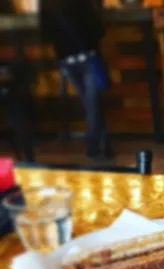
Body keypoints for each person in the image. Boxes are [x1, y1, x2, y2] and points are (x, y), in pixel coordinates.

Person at [39, 0, 113, 159]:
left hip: (66, 61)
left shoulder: (46, 3)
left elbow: (45, 34)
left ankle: (103, 144)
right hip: (88, 57)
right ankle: (94, 148)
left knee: (90, 105)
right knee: (93, 105)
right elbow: (99, 30)